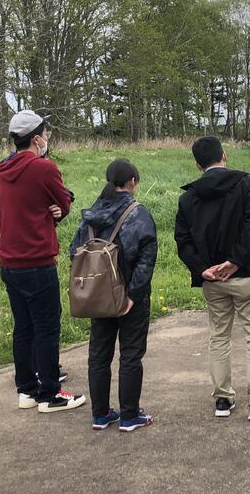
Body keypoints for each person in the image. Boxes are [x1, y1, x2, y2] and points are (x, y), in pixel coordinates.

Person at [175, 136, 250, 421]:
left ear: (197, 164)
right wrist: (236, 260)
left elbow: (182, 241)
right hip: (246, 275)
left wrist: (202, 269)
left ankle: (223, 399)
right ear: (224, 155)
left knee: (219, 338)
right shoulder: (245, 183)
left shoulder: (188, 198)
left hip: (213, 280)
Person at [0, 110, 85, 412]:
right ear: (36, 138)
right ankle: (50, 393)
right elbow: (63, 202)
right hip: (36, 259)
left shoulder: (5, 168)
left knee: (24, 327)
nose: (48, 139)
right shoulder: (43, 168)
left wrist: (49, 209)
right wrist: (59, 206)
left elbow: (32, 205)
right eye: (46, 134)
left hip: (10, 261)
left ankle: (27, 390)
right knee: (47, 327)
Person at [70, 159, 157, 432]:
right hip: (130, 297)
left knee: (98, 354)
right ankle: (130, 416)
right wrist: (133, 295)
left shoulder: (91, 215)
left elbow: (75, 252)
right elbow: (146, 257)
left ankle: (100, 414)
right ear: (132, 182)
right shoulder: (137, 213)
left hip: (96, 295)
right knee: (130, 354)